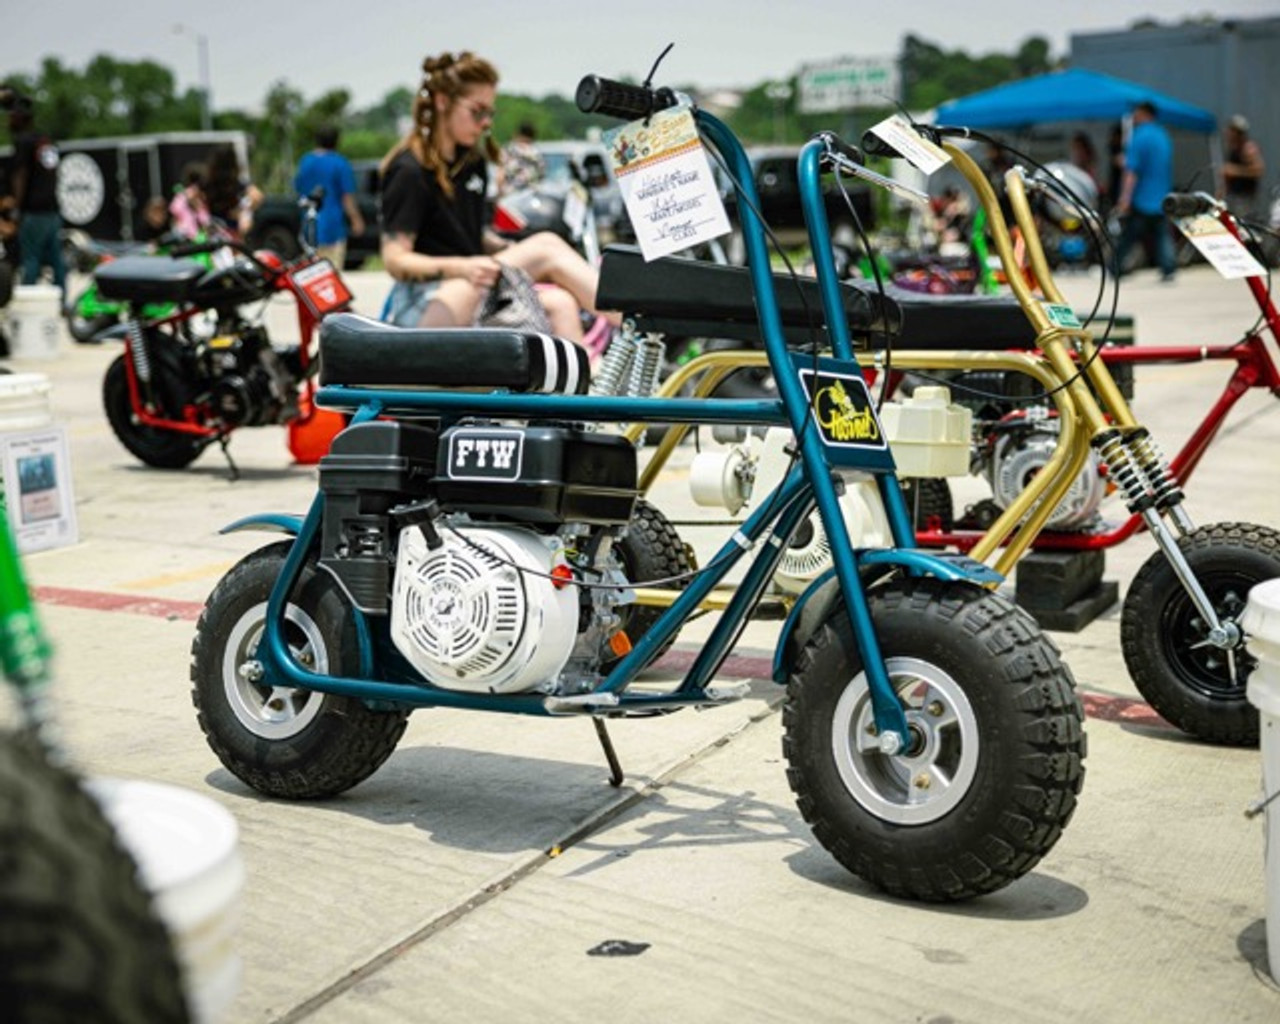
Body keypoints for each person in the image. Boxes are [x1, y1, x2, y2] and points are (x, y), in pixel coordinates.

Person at [378, 50, 611, 341]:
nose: (486, 123)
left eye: (490, 113)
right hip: (426, 303)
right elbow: (395, 259)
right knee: (546, 248)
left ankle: (589, 383)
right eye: (477, 111)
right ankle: (637, 317)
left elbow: (471, 237)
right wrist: (461, 267)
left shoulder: (471, 165)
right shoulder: (410, 169)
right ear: (442, 102)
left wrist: (507, 246)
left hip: (472, 292)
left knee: (561, 305)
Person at [7, 94, 66, 297]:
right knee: (56, 258)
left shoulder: (23, 141)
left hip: (34, 210)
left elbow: (20, 175)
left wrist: (17, 208)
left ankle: (28, 299)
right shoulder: (46, 140)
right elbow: (55, 173)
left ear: (19, 118)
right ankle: (62, 299)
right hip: (52, 209)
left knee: (31, 258)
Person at [1114, 100, 1176, 282]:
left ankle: (1115, 266)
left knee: (1130, 234)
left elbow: (1131, 170)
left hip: (1143, 196)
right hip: (1161, 195)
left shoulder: (1139, 136)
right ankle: (1168, 268)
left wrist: (1125, 197)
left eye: (1136, 113)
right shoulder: (1163, 135)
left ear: (1146, 114)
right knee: (1162, 234)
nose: (1134, 117)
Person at [294, 124, 367, 267]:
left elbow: (298, 189)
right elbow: (347, 197)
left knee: (312, 273)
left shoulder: (305, 161)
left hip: (309, 227)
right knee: (332, 272)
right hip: (333, 228)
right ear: (336, 141)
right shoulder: (340, 163)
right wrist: (356, 220)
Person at [204, 144, 262, 239]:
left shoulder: (208, 182)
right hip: (233, 232)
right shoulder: (235, 183)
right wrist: (245, 210)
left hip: (212, 230)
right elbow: (257, 196)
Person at [1219, 114, 1265, 222]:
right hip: (1233, 197)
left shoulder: (1248, 149)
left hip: (1245, 198)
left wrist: (1235, 170)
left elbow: (1258, 170)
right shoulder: (1233, 149)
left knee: (1243, 227)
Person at [500, 120, 545, 194]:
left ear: (518, 134)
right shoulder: (537, 153)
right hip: (531, 195)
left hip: (510, 195)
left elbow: (500, 175)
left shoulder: (509, 149)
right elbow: (541, 176)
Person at [169, 164, 211, 240]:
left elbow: (205, 221)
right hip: (185, 239)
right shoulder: (182, 197)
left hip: (201, 238)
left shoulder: (201, 199)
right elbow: (175, 213)